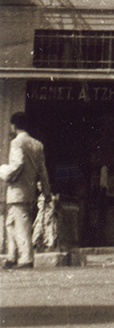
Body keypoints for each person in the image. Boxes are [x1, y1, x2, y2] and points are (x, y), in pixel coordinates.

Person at [1, 112, 51, 270]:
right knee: (11, 223)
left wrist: (3, 171)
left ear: (13, 125)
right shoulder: (37, 144)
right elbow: (43, 171)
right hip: (29, 190)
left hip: (17, 190)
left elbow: (17, 164)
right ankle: (11, 256)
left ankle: (26, 259)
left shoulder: (17, 143)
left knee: (21, 224)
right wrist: (46, 192)